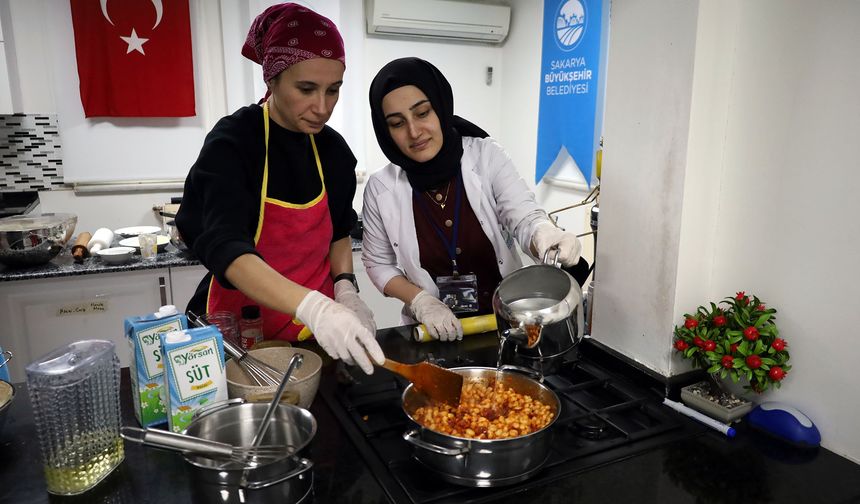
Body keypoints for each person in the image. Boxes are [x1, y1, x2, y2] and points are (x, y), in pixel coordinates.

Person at [175, 3, 384, 374]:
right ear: (271, 80)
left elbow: (337, 230)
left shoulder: (333, 152)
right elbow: (227, 248)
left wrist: (345, 290)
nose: (322, 107)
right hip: (238, 337)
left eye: (333, 90)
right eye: (306, 89)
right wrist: (315, 307)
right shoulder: (235, 141)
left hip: (312, 338)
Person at [362, 57, 589, 342]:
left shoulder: (485, 156)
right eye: (397, 123)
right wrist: (421, 301)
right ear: (385, 132)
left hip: (508, 326)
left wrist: (545, 234)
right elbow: (378, 264)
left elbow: (523, 217)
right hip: (433, 332)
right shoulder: (381, 188)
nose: (414, 131)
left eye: (422, 113)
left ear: (441, 107)